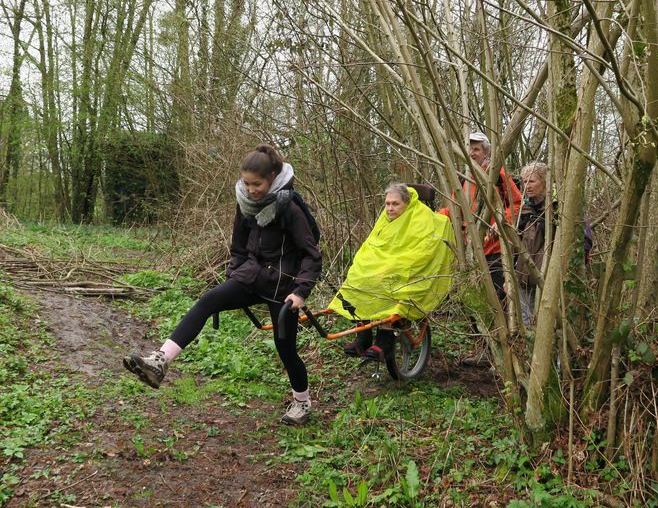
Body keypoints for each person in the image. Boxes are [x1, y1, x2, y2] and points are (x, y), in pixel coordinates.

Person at [123, 145, 322, 426]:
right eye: (247, 183)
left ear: (273, 177)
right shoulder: (245, 204)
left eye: (258, 184)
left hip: (283, 286)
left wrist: (300, 292)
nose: (251, 190)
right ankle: (159, 361)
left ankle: (302, 402)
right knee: (207, 301)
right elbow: (239, 247)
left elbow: (311, 255)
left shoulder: (289, 207)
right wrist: (234, 274)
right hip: (251, 276)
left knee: (285, 347)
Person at [328, 183, 455, 362]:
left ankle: (384, 342)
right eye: (387, 204)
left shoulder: (421, 217)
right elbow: (373, 244)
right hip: (386, 263)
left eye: (395, 204)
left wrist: (393, 263)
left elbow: (424, 248)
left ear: (407, 203)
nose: (389, 208)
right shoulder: (386, 219)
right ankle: (362, 338)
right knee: (359, 275)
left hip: (405, 266)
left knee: (388, 281)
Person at [440, 131, 522, 366]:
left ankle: (503, 354)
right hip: (474, 252)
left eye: (476, 149)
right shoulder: (466, 178)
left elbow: (517, 204)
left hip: (497, 251)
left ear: (486, 152)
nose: (472, 153)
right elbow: (455, 209)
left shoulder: (497, 175)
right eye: (469, 148)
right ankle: (488, 348)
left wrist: (500, 221)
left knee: (497, 300)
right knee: (477, 300)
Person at [514, 162, 593, 325]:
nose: (526, 186)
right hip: (523, 277)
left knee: (547, 324)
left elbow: (583, 241)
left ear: (545, 182)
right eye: (524, 182)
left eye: (532, 181)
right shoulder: (524, 209)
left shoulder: (562, 207)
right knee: (527, 324)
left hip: (549, 280)